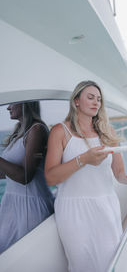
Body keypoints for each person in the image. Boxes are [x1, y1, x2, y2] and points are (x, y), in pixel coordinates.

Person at [44, 80, 127, 272]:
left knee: (111, 263)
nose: (96, 103)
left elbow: (119, 174)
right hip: (73, 211)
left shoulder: (107, 132)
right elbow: (51, 178)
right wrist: (84, 159)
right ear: (76, 101)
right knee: (81, 264)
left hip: (106, 206)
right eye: (90, 97)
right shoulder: (60, 131)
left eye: (99, 99)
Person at [0, 102, 54, 254]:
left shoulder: (37, 130)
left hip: (31, 206)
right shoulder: (18, 133)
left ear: (25, 104)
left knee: (29, 256)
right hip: (11, 205)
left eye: (12, 103)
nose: (8, 107)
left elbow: (25, 176)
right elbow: (8, 173)